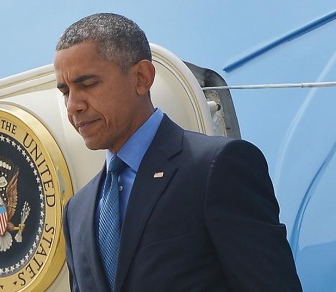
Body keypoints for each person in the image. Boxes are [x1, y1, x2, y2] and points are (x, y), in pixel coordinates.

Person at [53, 13, 302, 292]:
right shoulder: (77, 210)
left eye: (87, 84)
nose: (73, 105)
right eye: (65, 92)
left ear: (142, 77)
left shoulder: (216, 168)